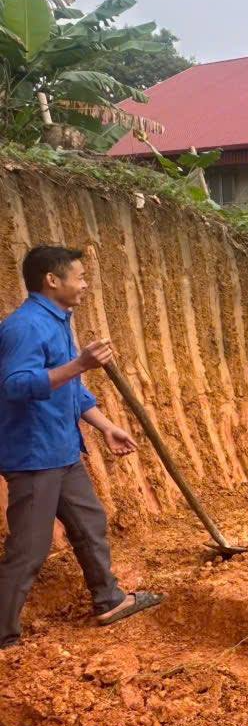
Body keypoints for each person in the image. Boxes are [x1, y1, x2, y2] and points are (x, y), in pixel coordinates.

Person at [0, 246, 163, 649]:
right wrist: (80, 364)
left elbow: (72, 388)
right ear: (52, 280)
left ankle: (109, 598)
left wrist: (106, 427)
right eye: (79, 276)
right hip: (34, 456)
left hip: (62, 450)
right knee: (29, 550)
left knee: (90, 525)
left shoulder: (59, 321)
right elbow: (15, 385)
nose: (85, 283)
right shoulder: (24, 327)